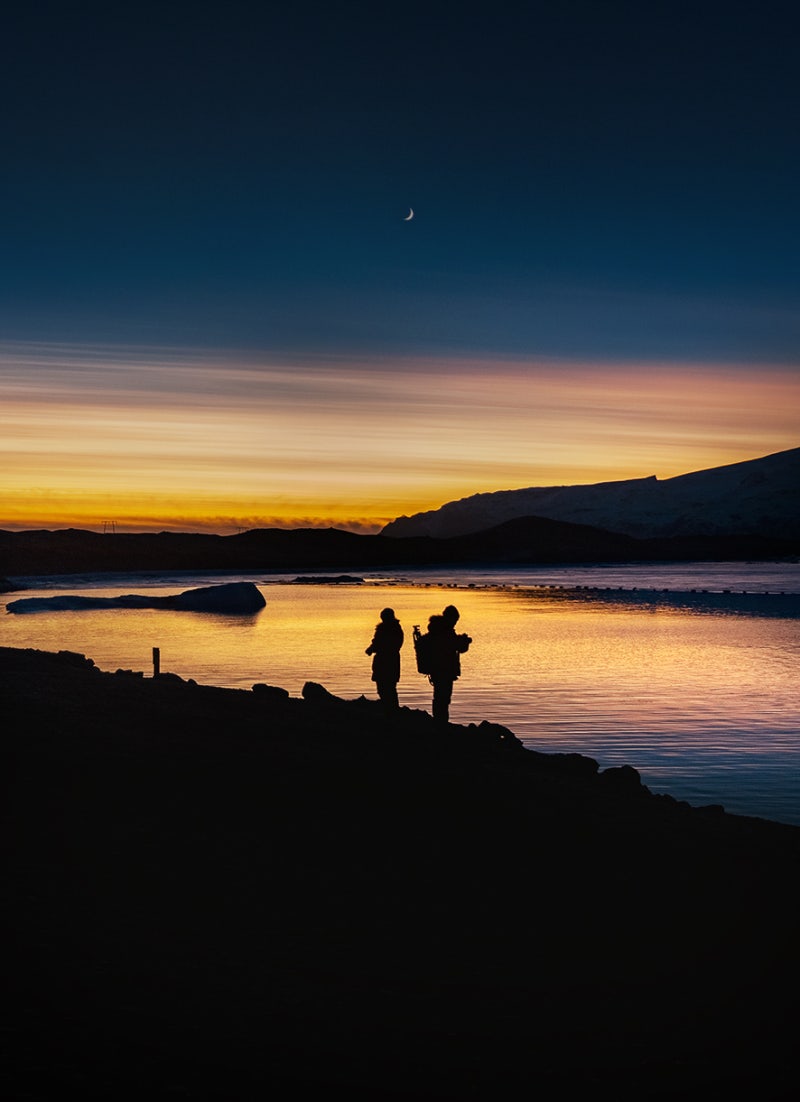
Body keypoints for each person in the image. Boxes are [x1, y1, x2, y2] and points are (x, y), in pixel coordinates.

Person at [425, 604, 472, 723]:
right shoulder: (445, 631)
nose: (455, 623)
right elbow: (458, 647)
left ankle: (439, 721)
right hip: (444, 669)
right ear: (450, 618)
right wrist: (465, 641)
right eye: (455, 620)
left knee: (440, 697)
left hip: (437, 668)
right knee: (443, 698)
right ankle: (441, 723)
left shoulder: (437, 629)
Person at [365, 607, 404, 711]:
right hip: (390, 661)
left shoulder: (386, 629)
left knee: (385, 688)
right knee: (388, 688)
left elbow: (379, 643)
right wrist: (372, 648)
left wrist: (371, 649)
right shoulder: (396, 628)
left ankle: (391, 710)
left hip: (385, 662)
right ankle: (392, 709)